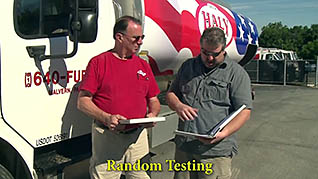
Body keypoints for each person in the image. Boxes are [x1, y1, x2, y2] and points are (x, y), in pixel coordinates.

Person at [77, 15, 160, 179]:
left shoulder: (143, 65)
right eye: (136, 38)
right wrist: (106, 117)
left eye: (142, 38)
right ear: (119, 37)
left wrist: (153, 114)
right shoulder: (99, 63)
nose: (140, 42)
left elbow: (154, 100)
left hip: (138, 138)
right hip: (108, 138)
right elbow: (82, 101)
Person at [166, 27, 252, 179]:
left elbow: (244, 111)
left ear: (223, 50)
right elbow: (171, 94)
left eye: (215, 54)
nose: (210, 58)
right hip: (185, 148)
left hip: (215, 152)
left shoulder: (236, 74)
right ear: (201, 47)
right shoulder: (188, 67)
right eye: (205, 53)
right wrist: (178, 105)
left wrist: (223, 133)